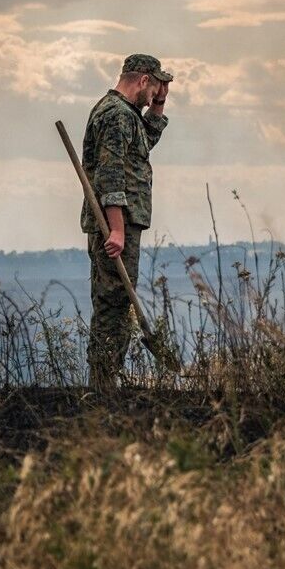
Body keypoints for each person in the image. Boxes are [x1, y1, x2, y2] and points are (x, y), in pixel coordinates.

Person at [80, 53, 173, 389]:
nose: (156, 92)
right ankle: (103, 384)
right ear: (143, 80)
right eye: (155, 86)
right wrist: (117, 229)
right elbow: (111, 175)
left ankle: (107, 378)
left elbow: (143, 143)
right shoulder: (116, 115)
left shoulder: (126, 115)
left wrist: (159, 105)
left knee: (118, 301)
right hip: (113, 226)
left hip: (123, 224)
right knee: (112, 302)